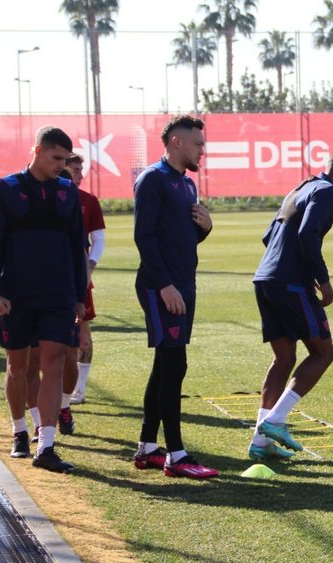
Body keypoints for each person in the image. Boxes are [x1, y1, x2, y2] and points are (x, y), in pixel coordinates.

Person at [0, 125, 87, 473]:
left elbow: (77, 245)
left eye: (65, 159)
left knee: (54, 362)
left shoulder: (67, 192)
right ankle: (18, 432)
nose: (62, 165)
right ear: (37, 150)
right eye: (56, 157)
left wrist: (78, 297)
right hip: (16, 294)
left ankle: (46, 447)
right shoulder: (6, 189)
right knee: (18, 367)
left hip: (58, 294)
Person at [249, 152, 333, 460]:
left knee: (284, 357)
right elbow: (307, 233)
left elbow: (267, 235)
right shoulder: (325, 191)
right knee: (324, 353)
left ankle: (260, 442)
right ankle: (275, 421)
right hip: (290, 282)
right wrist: (322, 280)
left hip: (265, 278)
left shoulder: (301, 187)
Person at [132, 115, 218, 479]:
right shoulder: (153, 179)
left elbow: (181, 239)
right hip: (160, 286)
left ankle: (148, 447)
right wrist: (165, 285)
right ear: (176, 143)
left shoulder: (187, 186)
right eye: (198, 143)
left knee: (165, 365)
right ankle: (176, 455)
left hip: (183, 284)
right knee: (175, 365)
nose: (203, 149)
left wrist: (206, 229)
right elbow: (145, 237)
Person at [67, 152, 106, 405]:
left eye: (81, 170)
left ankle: (78, 390)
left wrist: (89, 266)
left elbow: (99, 239)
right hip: (49, 279)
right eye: (75, 170)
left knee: (83, 334)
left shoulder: (88, 201)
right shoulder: (44, 197)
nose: (80, 175)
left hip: (79, 280)